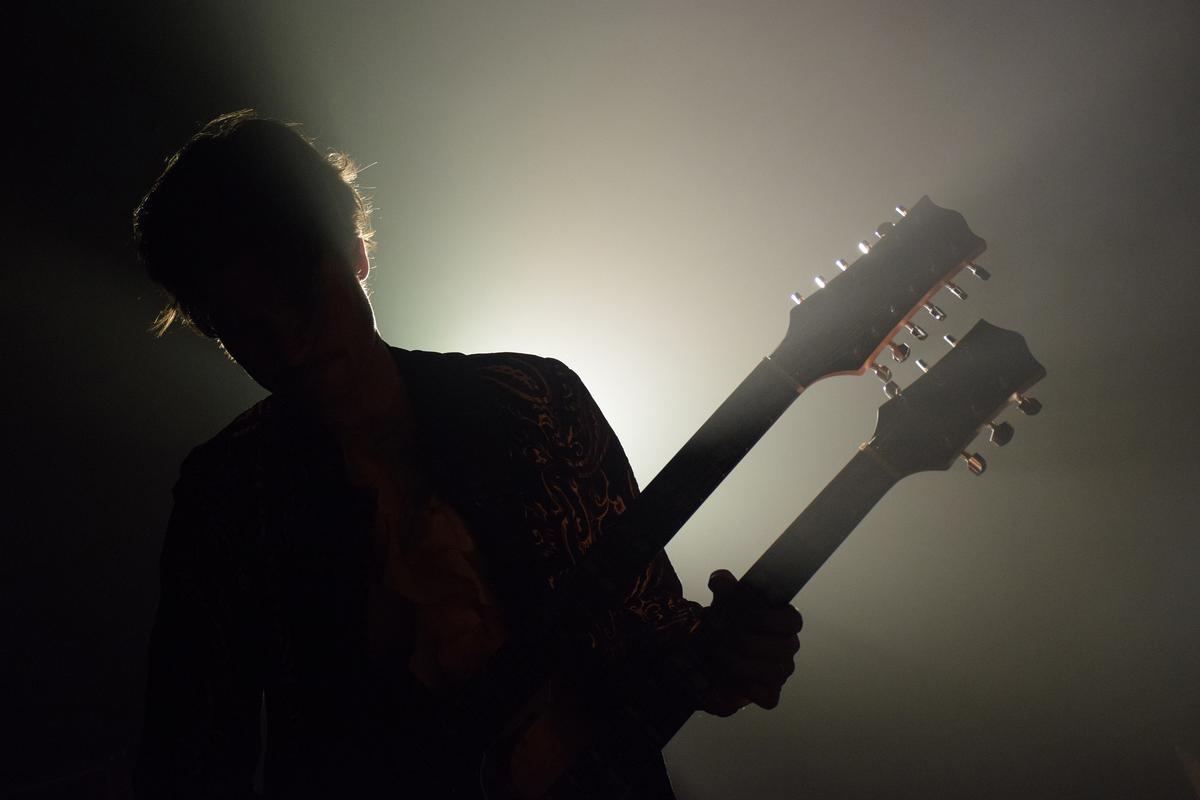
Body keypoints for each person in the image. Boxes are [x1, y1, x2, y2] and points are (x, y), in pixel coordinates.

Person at [132, 110, 803, 798]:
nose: (289, 342)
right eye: (244, 327)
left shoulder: (532, 400)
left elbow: (648, 629)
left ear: (357, 250)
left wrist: (735, 657)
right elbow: (193, 750)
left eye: (299, 293)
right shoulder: (229, 491)